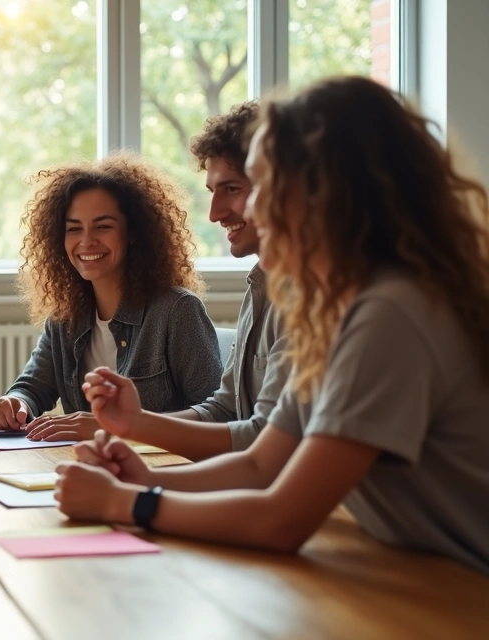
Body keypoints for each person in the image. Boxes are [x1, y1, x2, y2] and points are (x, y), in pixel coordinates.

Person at [59, 76, 489, 575]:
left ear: (325, 193)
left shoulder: (391, 310)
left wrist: (124, 503)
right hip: (425, 574)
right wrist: (141, 482)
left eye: (262, 185)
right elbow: (262, 464)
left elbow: (282, 520)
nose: (248, 208)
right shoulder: (332, 311)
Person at [69, 103, 290, 460]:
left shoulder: (318, 300)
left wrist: (137, 457)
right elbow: (224, 411)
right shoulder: (261, 286)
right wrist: (130, 425)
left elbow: (261, 446)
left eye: (232, 188)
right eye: (213, 190)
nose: (214, 213)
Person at [0, 153, 222, 437]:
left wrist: (116, 427)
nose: (86, 241)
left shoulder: (177, 310)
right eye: (74, 229)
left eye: (104, 226)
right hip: (86, 460)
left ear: (133, 232)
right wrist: (16, 403)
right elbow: (32, 388)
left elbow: (216, 416)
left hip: (159, 462)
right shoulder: (64, 316)